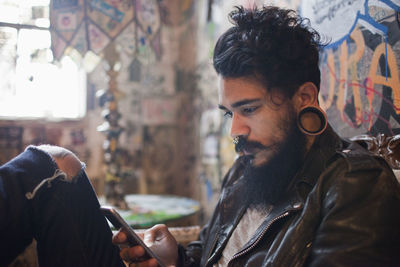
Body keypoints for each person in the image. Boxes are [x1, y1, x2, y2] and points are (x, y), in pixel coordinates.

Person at [1, 5, 400, 267]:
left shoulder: (355, 182)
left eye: (249, 109)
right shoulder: (251, 167)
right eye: (230, 112)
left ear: (305, 98)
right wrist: (176, 257)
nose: (235, 131)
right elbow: (221, 254)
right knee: (53, 168)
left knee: (50, 170)